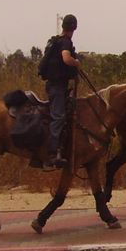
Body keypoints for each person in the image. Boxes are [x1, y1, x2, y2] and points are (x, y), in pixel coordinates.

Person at [40, 14, 81, 169]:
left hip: (57, 85)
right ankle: (52, 154)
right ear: (74, 28)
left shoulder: (55, 40)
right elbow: (66, 58)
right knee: (59, 116)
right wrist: (76, 63)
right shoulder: (65, 42)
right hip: (57, 86)